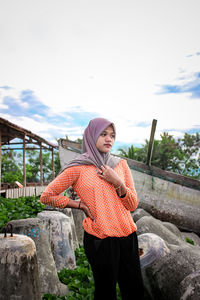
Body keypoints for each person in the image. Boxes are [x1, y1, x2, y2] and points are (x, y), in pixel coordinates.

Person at [40, 117, 144, 300]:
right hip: (100, 239)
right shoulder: (77, 168)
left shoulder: (120, 165)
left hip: (127, 236)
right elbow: (47, 196)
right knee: (105, 293)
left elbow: (133, 204)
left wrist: (117, 182)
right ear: (91, 135)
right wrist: (79, 205)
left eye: (112, 135)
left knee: (134, 290)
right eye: (103, 134)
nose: (109, 139)